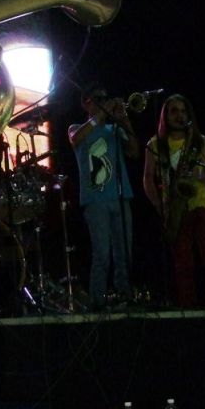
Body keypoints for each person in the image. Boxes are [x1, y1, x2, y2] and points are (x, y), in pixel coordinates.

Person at [143, 93, 205, 309]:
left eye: (183, 111)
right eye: (174, 111)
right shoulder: (155, 144)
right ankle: (188, 311)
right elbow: (148, 179)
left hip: (202, 204)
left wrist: (197, 173)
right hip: (175, 209)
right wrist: (160, 207)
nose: (179, 116)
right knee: (183, 265)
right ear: (165, 115)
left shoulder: (199, 141)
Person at [68, 84, 140, 310]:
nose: (103, 101)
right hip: (95, 200)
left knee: (124, 253)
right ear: (85, 103)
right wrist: (101, 114)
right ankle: (97, 302)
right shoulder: (76, 128)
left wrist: (124, 120)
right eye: (97, 98)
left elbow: (135, 152)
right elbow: (76, 139)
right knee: (102, 254)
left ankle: (124, 297)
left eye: (105, 98)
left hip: (121, 196)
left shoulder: (113, 130)